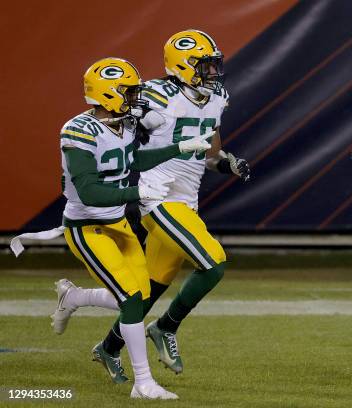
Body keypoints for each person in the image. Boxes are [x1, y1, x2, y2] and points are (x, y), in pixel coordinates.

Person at [52, 30, 250, 380]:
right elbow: (117, 132)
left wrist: (225, 162)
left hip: (187, 199)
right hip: (157, 196)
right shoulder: (153, 95)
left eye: (213, 65)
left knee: (150, 287)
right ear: (182, 66)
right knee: (213, 262)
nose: (212, 72)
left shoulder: (217, 96)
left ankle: (108, 347)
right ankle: (166, 328)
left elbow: (208, 148)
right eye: (204, 65)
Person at [56, 57, 211, 398]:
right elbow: (89, 191)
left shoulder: (124, 124)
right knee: (130, 299)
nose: (137, 97)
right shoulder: (77, 131)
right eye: (129, 91)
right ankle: (144, 383)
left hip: (118, 224)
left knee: (137, 301)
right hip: (86, 227)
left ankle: (76, 296)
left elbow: (133, 160)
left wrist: (179, 148)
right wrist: (136, 191)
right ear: (107, 94)